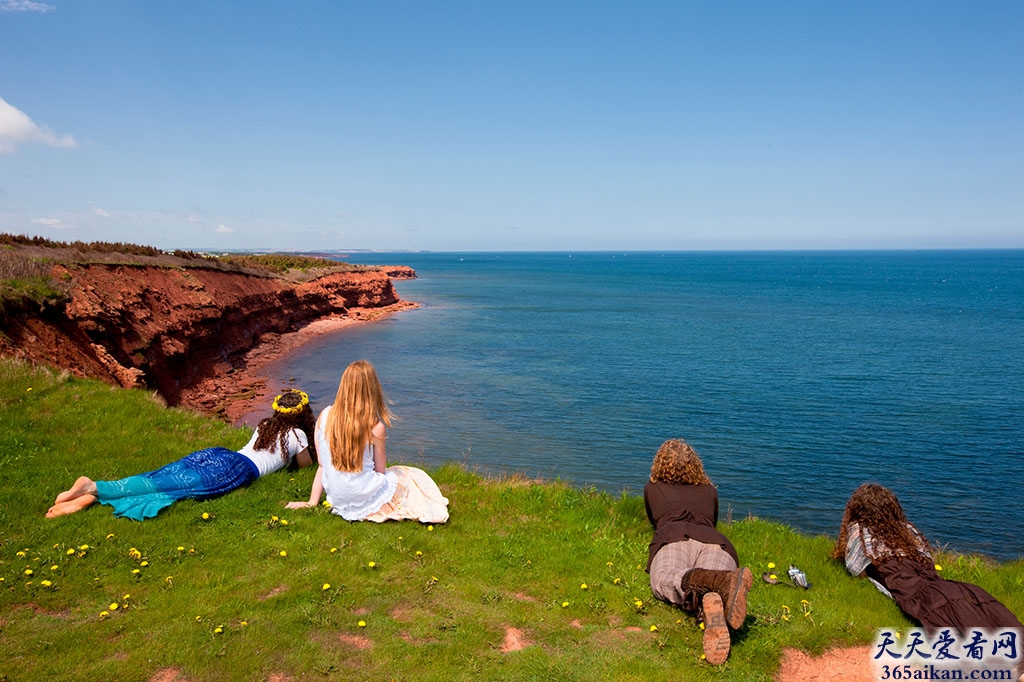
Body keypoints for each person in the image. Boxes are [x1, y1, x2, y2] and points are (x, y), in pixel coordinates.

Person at [46, 389, 317, 520]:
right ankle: (95, 489)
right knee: (175, 490)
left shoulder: (265, 425)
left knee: (164, 477)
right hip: (239, 471)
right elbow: (305, 467)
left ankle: (92, 493)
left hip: (222, 456)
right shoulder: (297, 435)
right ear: (302, 414)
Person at [833, 483, 1023, 633]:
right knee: (980, 610)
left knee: (954, 619)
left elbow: (855, 570)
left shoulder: (858, 530)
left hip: (910, 585)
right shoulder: (907, 529)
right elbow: (927, 558)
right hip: (937, 581)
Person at [286, 360, 448, 524]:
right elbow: (380, 471)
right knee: (409, 475)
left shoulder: (324, 416)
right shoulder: (374, 427)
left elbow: (322, 464)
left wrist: (312, 502)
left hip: (337, 498)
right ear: (372, 389)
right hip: (363, 494)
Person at [644, 438, 752, 665]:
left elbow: (654, 520)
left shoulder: (652, 489)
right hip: (716, 542)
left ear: (659, 463)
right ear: (695, 464)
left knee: (664, 579)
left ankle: (713, 588)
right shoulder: (710, 491)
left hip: (673, 536)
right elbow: (711, 521)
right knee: (715, 582)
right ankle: (715, 597)